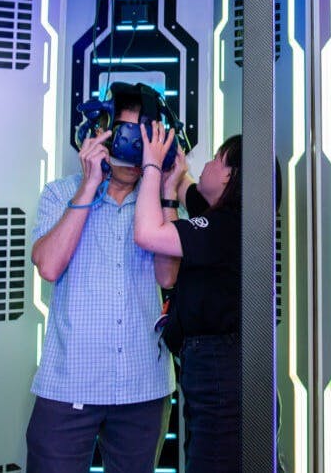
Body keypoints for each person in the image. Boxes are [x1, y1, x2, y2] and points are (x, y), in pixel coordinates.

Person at [26, 83, 177, 473]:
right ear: (102, 134)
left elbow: (168, 275)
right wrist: (89, 184)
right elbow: (49, 266)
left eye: (144, 139)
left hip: (143, 385)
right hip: (69, 383)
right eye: (125, 136)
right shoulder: (60, 194)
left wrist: (166, 189)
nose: (132, 151)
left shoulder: (160, 206)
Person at [134, 128, 244, 473]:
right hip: (212, 366)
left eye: (215, 159)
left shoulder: (224, 225)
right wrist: (172, 177)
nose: (206, 165)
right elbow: (185, 189)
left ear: (229, 175)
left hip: (219, 371)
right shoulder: (225, 217)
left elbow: (148, 235)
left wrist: (151, 166)